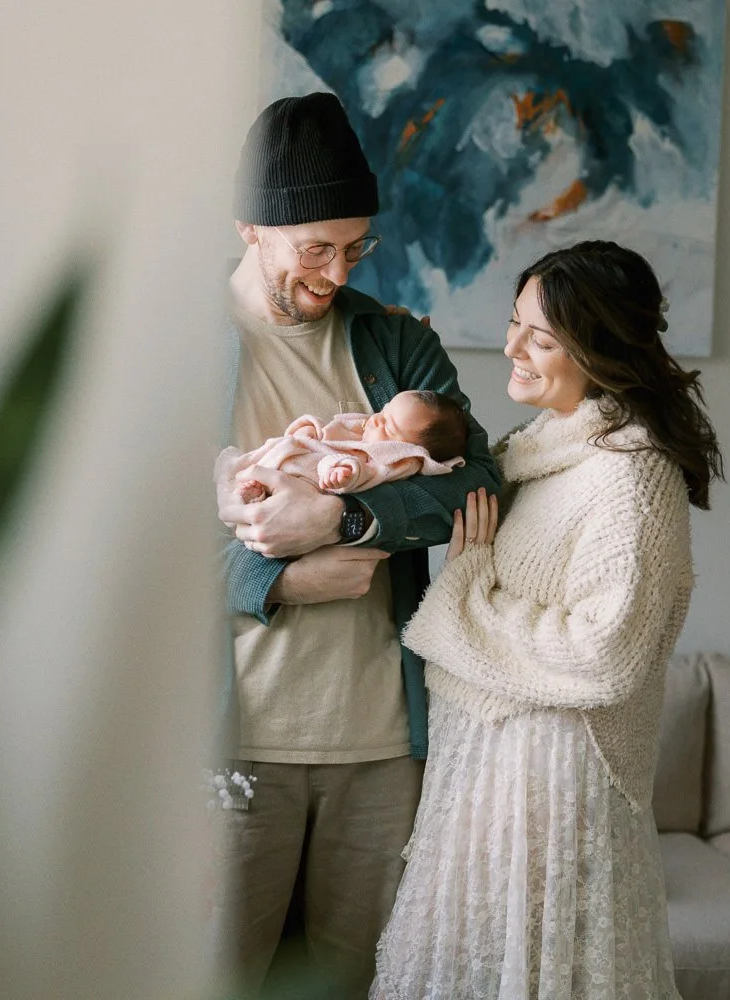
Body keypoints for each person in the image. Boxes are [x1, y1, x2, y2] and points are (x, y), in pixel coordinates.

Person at [371, 240, 722, 1000]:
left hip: (554, 785)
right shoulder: (532, 453)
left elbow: (606, 654)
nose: (512, 348)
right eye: (514, 323)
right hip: (488, 769)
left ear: (598, 348)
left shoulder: (632, 474)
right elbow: (415, 464)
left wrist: (466, 591)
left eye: (541, 337)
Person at [214, 92, 501, 998]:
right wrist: (272, 579)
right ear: (251, 228)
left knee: (353, 986)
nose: (336, 272)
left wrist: (345, 520)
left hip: (380, 744)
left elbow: (477, 480)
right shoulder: (178, 343)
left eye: (355, 246)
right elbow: (125, 535)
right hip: (233, 740)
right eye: (316, 248)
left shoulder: (395, 343)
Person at [218, 389, 468, 502]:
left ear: (405, 451)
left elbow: (366, 474)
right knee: (272, 453)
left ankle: (257, 494)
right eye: (383, 411)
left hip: (312, 480)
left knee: (288, 477)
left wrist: (343, 472)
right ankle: (244, 479)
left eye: (389, 426)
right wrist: (314, 429)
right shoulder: (366, 430)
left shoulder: (395, 463)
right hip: (303, 456)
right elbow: (334, 430)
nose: (376, 419)